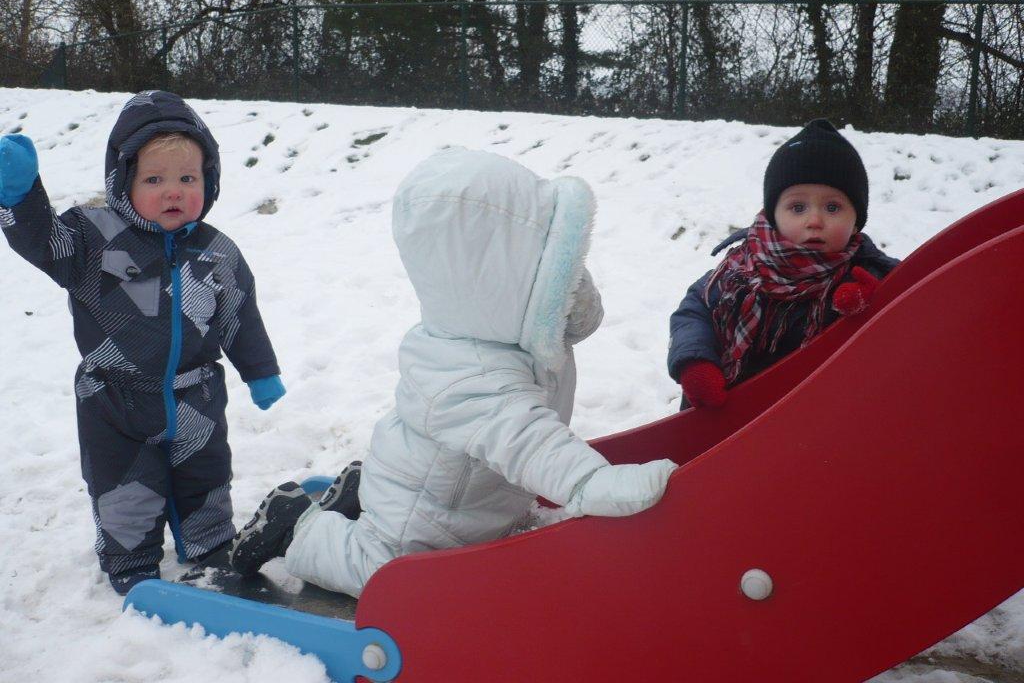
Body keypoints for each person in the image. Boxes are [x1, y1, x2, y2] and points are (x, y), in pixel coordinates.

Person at [229, 148, 678, 597]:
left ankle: (359, 494)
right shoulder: (465, 371)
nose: (566, 284)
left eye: (564, 268)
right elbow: (523, 436)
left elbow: (576, 323)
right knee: (384, 575)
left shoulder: (516, 328)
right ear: (497, 281)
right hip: (422, 520)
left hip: (471, 504)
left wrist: (571, 297)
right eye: (557, 274)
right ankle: (296, 526)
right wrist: (588, 482)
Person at [0, 91, 285, 595]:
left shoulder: (217, 251)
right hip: (114, 397)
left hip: (195, 395)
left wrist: (260, 372)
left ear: (208, 181)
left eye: (187, 178)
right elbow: (42, 242)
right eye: (154, 179)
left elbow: (240, 313)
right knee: (123, 490)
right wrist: (21, 196)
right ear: (123, 181)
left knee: (207, 477)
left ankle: (210, 545)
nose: (172, 191)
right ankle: (130, 561)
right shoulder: (91, 237)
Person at [668, 119, 899, 408]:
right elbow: (694, 311)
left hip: (816, 421)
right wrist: (695, 361)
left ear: (856, 222)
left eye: (833, 207)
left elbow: (904, 333)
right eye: (797, 207)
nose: (815, 221)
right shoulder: (739, 271)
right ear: (773, 215)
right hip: (729, 419)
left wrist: (871, 307)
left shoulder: (871, 273)